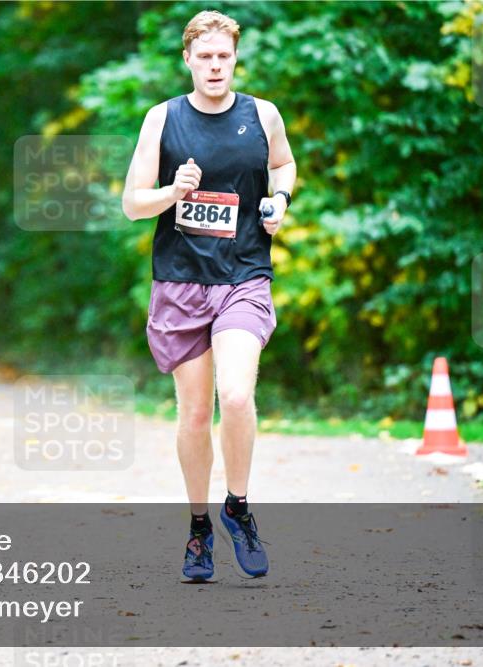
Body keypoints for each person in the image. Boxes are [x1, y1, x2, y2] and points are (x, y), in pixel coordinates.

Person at [121, 10, 296, 581]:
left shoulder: (262, 115)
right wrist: (174, 190)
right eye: (206, 57)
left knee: (236, 394)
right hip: (180, 281)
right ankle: (200, 530)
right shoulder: (162, 119)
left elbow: (284, 165)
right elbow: (131, 203)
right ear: (188, 60)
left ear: (234, 59)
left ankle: (238, 508)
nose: (215, 66)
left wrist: (280, 201)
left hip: (244, 276)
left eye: (224, 56)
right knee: (196, 414)